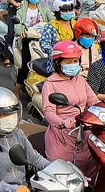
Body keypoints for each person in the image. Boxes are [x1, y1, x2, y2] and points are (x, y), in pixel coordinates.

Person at [37, 39, 96, 173]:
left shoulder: (80, 79)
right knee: (63, 175)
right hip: (63, 136)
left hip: (84, 131)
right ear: (58, 63)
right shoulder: (50, 84)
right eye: (69, 62)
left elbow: (93, 101)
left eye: (75, 61)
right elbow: (48, 111)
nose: (73, 64)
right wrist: (64, 122)